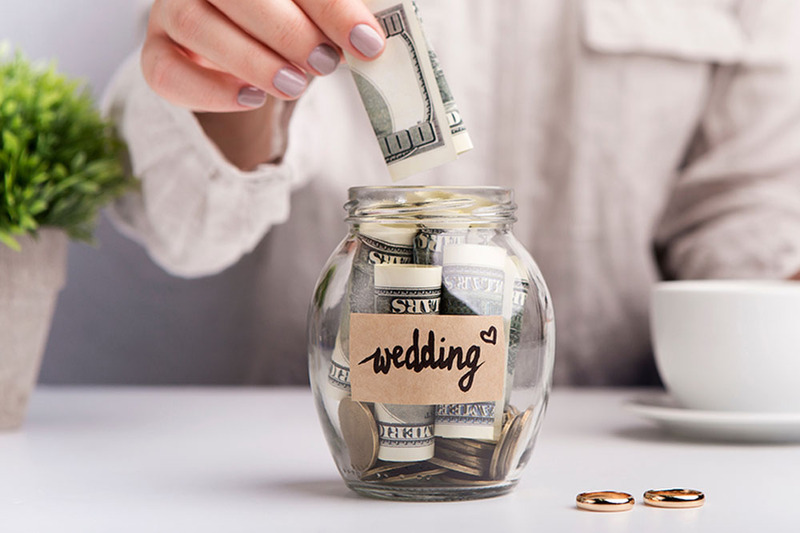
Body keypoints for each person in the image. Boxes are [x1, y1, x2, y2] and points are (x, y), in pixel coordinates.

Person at [104, 0, 800, 386]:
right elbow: (181, 222)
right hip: (318, 440)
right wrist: (237, 71)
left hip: (622, 435)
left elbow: (749, 218)